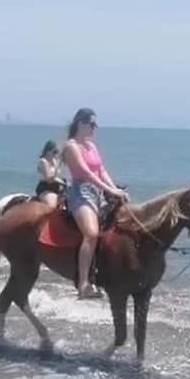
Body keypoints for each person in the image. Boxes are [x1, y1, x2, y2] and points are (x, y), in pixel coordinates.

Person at [62, 108, 128, 299]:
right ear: (80, 123)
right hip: (80, 193)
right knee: (91, 234)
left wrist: (115, 189)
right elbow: (86, 173)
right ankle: (83, 283)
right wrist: (110, 190)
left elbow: (101, 170)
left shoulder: (92, 145)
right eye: (91, 124)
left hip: (98, 192)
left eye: (94, 125)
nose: (93, 128)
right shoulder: (71, 146)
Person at [35, 140, 66, 207]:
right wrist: (57, 169)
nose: (56, 154)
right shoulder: (43, 161)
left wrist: (64, 182)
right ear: (48, 151)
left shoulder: (54, 160)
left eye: (57, 152)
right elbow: (48, 179)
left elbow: (56, 178)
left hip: (56, 186)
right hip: (46, 187)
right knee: (51, 207)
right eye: (55, 152)